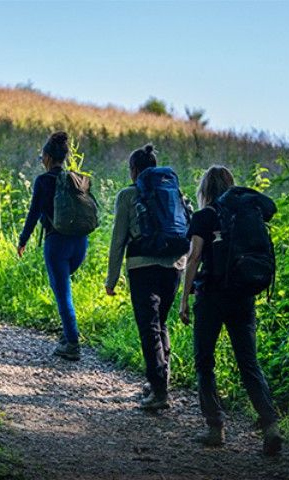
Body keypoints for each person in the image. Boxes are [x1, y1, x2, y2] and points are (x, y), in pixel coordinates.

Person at [178, 165, 283, 455]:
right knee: (249, 363)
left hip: (211, 297)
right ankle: (271, 425)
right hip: (242, 296)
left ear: (205, 190)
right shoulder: (246, 215)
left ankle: (215, 428)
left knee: (204, 362)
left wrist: (184, 298)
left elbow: (195, 256)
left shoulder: (204, 216)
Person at [105, 144, 186, 410]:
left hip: (142, 266)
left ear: (134, 171)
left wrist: (112, 278)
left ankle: (159, 392)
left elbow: (118, 240)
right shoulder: (175, 193)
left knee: (148, 326)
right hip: (175, 265)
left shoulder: (128, 195)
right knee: (161, 323)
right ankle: (159, 382)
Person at [17, 132, 87, 361]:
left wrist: (23, 240)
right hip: (80, 243)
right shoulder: (74, 179)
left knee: (62, 293)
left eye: (42, 157)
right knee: (63, 289)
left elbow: (34, 213)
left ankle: (73, 343)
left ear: (47, 157)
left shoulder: (43, 181)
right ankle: (67, 335)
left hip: (56, 242)